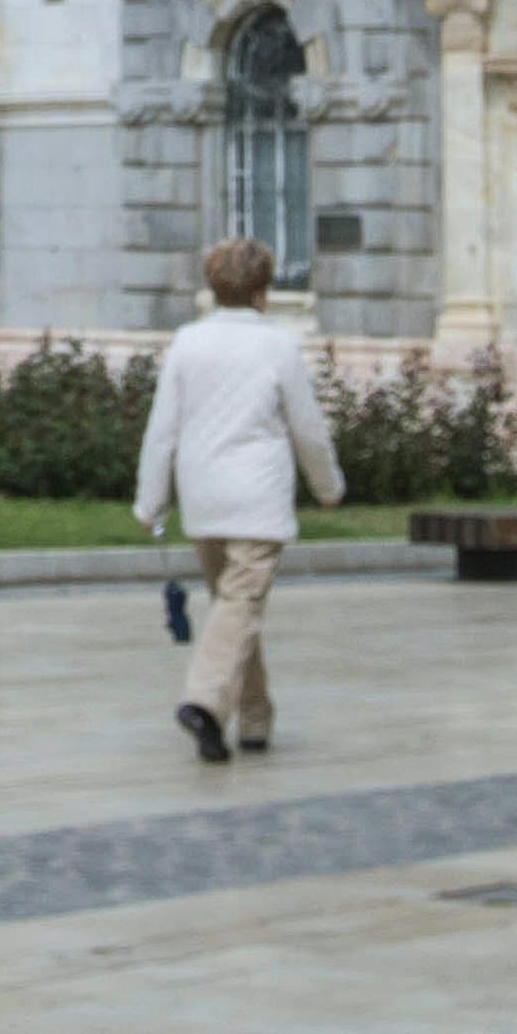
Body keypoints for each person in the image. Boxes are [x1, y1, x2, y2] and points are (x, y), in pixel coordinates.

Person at [134, 236, 348, 762]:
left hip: (204, 500)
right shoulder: (277, 346)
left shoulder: (188, 342)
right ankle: (204, 703)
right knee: (238, 608)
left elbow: (162, 431)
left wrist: (150, 501)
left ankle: (254, 718)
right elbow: (308, 429)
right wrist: (328, 487)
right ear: (262, 291)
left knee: (234, 610)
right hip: (258, 501)